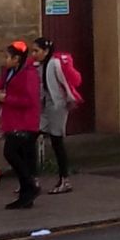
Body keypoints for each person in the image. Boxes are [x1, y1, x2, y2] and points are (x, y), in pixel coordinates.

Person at [0, 40, 42, 209]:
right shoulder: (11, 71)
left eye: (7, 57)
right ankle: (26, 194)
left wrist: (6, 98)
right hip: (13, 120)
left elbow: (29, 100)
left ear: (17, 59)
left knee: (11, 153)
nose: (5, 60)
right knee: (21, 157)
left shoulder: (28, 74)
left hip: (25, 123)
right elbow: (5, 84)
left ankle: (30, 186)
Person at [32, 37, 73, 195]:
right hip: (44, 108)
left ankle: (64, 179)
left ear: (46, 51)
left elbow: (65, 83)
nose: (34, 54)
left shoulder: (54, 64)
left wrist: (70, 99)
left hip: (56, 106)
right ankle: (32, 179)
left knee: (57, 142)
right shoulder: (38, 66)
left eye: (37, 51)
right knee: (31, 137)